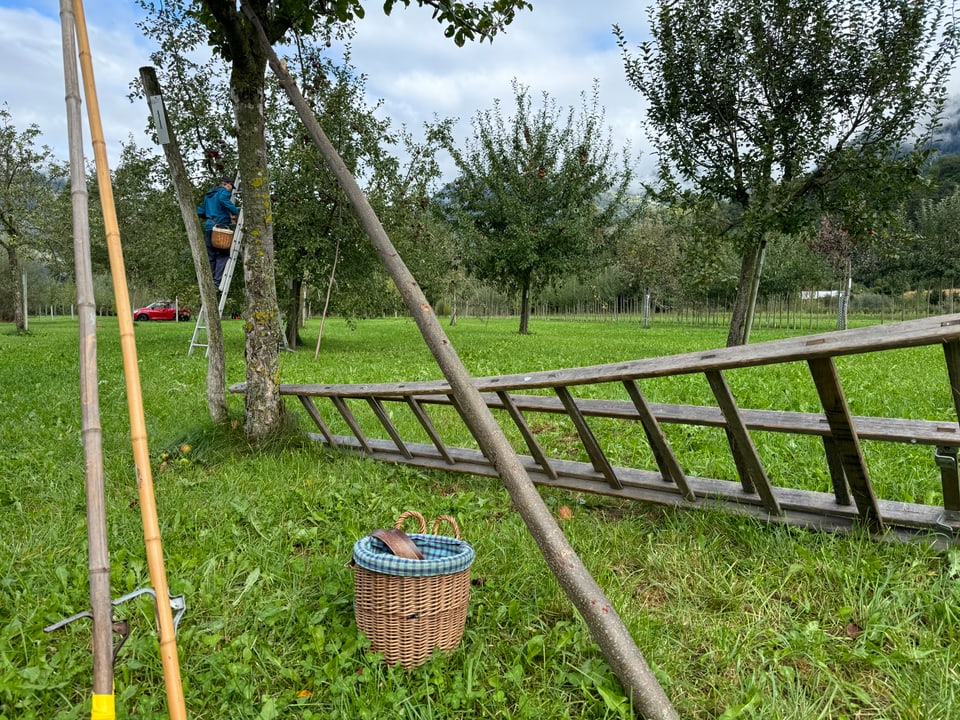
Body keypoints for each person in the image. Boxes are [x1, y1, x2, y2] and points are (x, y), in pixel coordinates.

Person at [198, 176, 240, 289]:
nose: (231, 190)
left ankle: (209, 282)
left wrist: (211, 214)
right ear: (227, 184)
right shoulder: (223, 192)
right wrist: (236, 211)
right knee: (223, 255)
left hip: (209, 228)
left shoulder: (210, 195)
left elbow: (200, 211)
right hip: (220, 230)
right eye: (231, 187)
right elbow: (223, 200)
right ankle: (216, 283)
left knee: (211, 256)